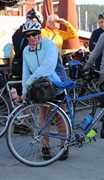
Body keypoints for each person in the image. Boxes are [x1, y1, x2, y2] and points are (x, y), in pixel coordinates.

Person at [19, 21, 69, 160]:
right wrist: (24, 90)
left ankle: (63, 147)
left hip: (57, 83)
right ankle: (45, 148)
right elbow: (25, 72)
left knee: (60, 118)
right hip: (41, 88)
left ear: (39, 33)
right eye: (27, 36)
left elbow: (48, 66)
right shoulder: (26, 50)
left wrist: (30, 81)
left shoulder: (49, 45)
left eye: (34, 34)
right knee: (44, 118)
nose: (31, 37)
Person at [11, 8, 43, 95]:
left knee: (21, 98)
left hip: (16, 65)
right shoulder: (28, 33)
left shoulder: (16, 32)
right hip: (25, 67)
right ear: (34, 19)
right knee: (28, 98)